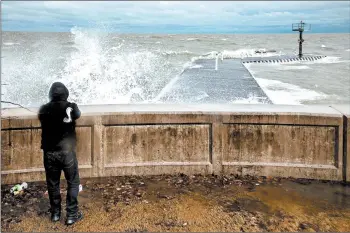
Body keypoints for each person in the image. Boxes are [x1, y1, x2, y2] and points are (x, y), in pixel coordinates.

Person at [38, 82, 83, 225]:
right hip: (67, 152)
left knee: (53, 184)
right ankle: (71, 215)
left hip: (50, 153)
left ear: (51, 94)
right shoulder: (71, 107)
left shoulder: (44, 109)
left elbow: (42, 118)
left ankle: (55, 214)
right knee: (73, 182)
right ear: (66, 93)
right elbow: (77, 115)